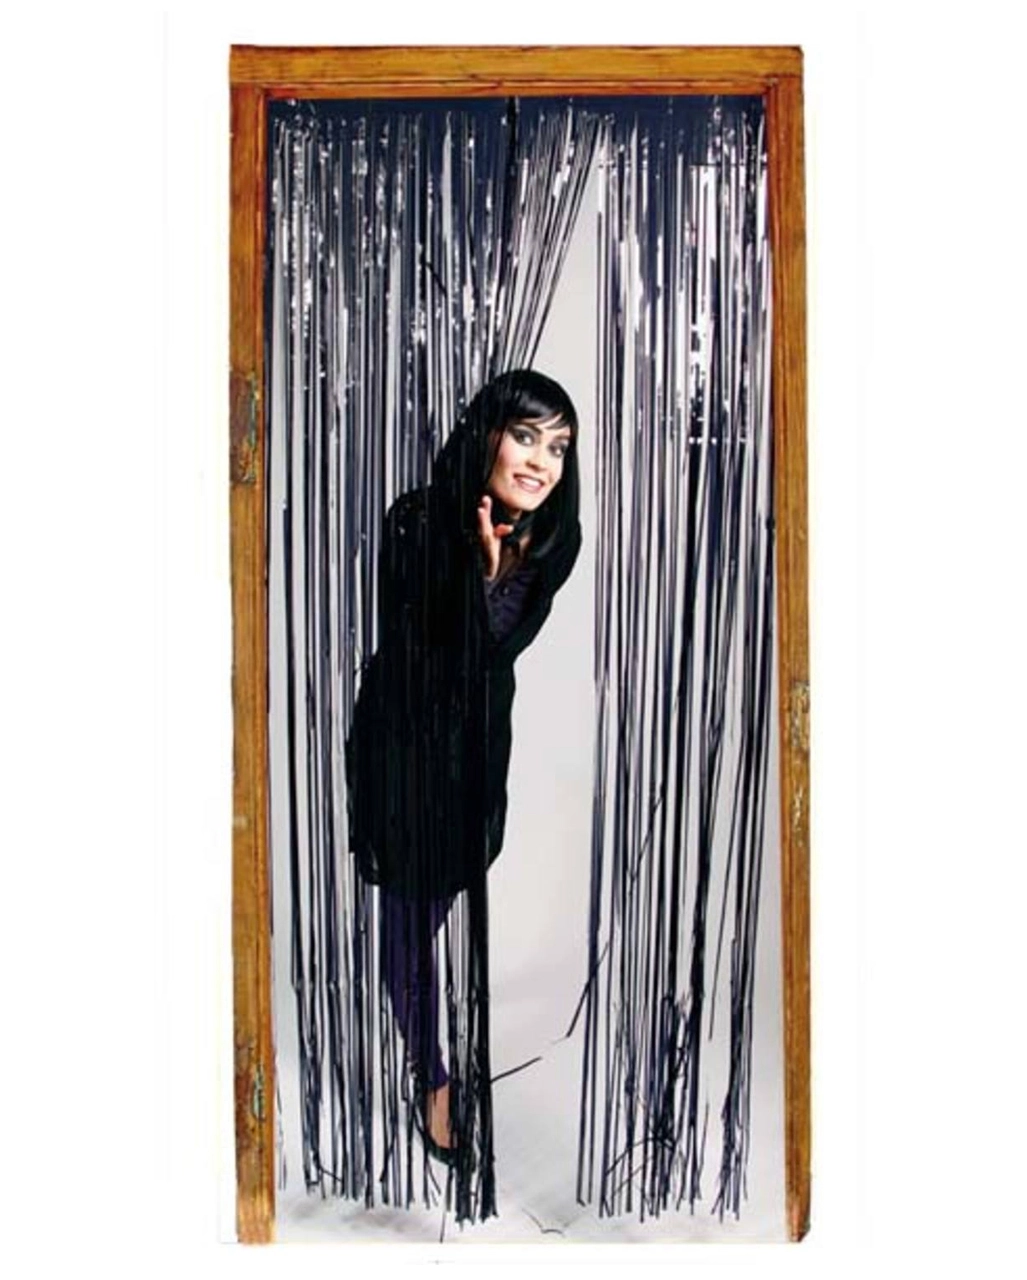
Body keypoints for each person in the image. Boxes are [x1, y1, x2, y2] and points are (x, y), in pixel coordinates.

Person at [345, 369, 582, 1164]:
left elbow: (492, 657)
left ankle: (432, 1068)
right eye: (525, 436)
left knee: (421, 927)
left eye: (557, 447)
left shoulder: (552, 538)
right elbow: (418, 651)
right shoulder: (414, 518)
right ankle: (435, 1082)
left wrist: (490, 576)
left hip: (469, 762)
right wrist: (471, 572)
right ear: (486, 434)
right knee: (403, 936)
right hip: (399, 751)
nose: (540, 462)